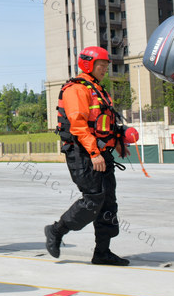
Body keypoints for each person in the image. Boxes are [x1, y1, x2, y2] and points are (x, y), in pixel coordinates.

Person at [45, 46, 130, 266]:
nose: (104, 69)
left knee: (108, 203)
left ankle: (102, 252)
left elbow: (106, 123)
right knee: (93, 199)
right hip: (82, 153)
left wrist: (119, 143)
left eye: (106, 66)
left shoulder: (98, 89)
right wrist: (94, 153)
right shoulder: (77, 89)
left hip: (102, 152)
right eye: (101, 65)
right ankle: (56, 230)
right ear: (88, 65)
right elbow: (79, 126)